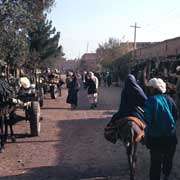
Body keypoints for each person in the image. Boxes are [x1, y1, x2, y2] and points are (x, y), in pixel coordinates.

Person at [144, 78, 178, 180]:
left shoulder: (150, 101)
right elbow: (176, 116)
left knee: (155, 163)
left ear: (153, 89)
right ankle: (166, 175)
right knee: (168, 159)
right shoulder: (170, 99)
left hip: (155, 139)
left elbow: (147, 119)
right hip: (170, 137)